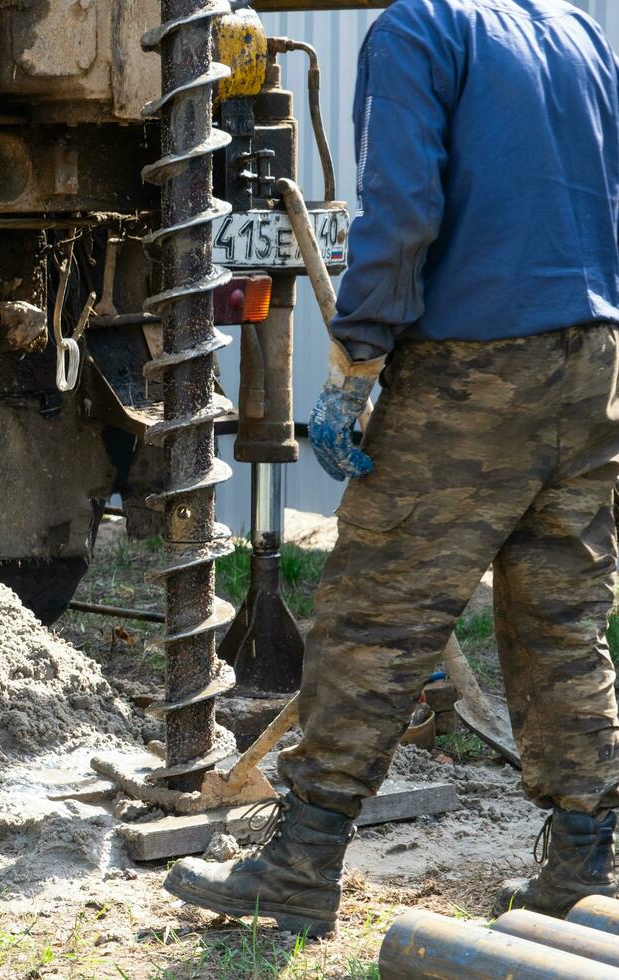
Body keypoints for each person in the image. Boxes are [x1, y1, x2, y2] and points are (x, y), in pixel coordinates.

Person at [164, 0, 619, 937]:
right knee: (563, 621)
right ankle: (583, 865)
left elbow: (404, 204)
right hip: (596, 356)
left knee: (377, 614)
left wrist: (358, 359)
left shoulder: (421, 28)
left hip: (476, 360)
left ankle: (301, 864)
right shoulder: (580, 30)